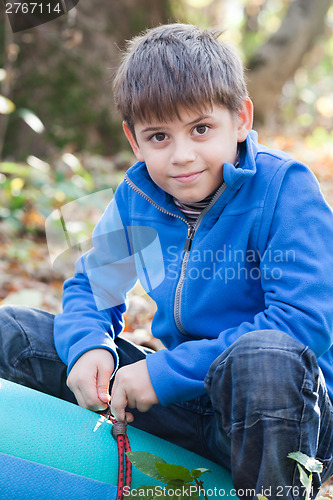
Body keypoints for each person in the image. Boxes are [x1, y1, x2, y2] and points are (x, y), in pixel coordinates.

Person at [1, 23, 333, 499]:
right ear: (134, 141)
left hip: (286, 414)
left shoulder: (284, 190)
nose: (182, 155)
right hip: (188, 404)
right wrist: (89, 347)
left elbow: (303, 323)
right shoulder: (140, 196)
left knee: (264, 358)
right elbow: (93, 287)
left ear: (240, 119)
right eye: (158, 136)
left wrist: (163, 374)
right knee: (16, 336)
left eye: (201, 129)